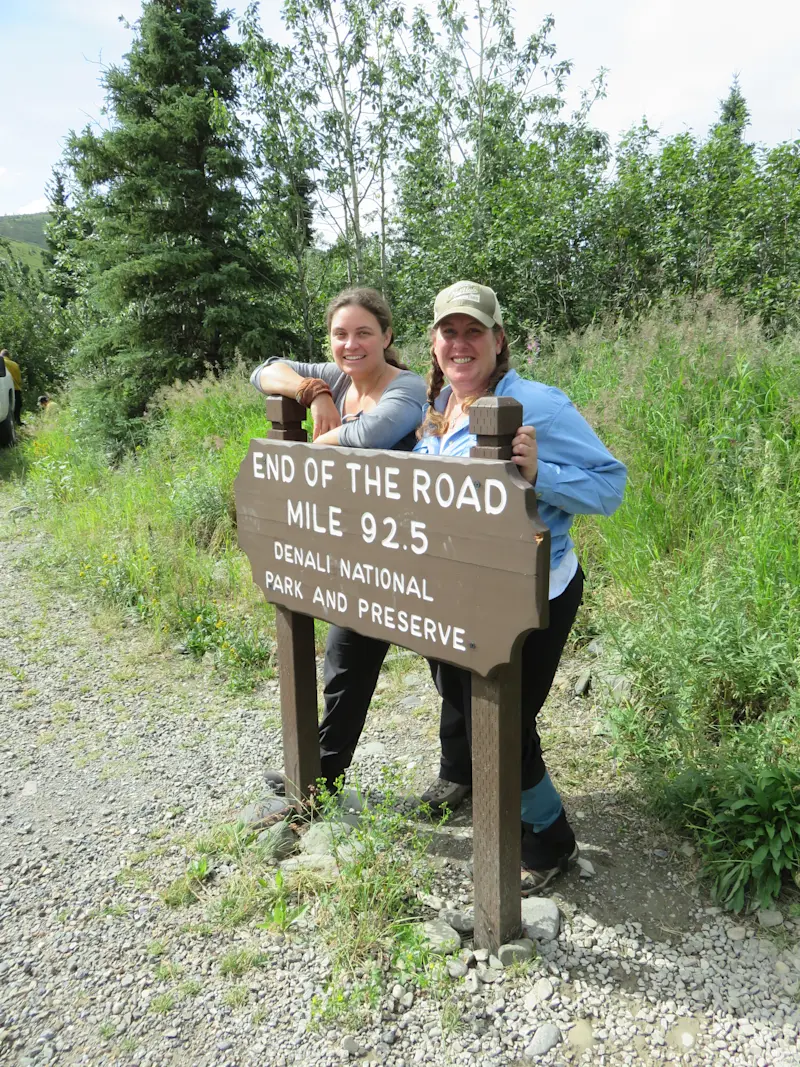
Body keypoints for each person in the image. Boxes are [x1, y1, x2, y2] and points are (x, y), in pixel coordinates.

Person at [413, 281, 627, 892]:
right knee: (465, 701)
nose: (460, 343)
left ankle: (550, 841)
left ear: (498, 339)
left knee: (504, 723)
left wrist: (540, 473)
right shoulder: (437, 403)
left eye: (473, 331)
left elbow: (610, 488)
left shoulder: (538, 404)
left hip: (529, 597)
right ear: (434, 344)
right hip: (448, 592)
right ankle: (481, 783)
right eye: (448, 332)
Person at [250, 287, 427, 794]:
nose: (351, 345)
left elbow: (368, 435)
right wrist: (314, 392)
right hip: (366, 557)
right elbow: (265, 370)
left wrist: (313, 446)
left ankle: (461, 774)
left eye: (364, 333)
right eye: (340, 334)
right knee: (344, 664)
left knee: (452, 672)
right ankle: (322, 775)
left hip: (420, 554)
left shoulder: (408, 387)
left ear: (387, 336)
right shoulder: (336, 381)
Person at [1, 350, 22, 424]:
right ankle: (17, 422)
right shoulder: (15, 364)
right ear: (8, 356)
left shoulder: (2, 362)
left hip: (3, 388)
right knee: (17, 407)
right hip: (16, 388)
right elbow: (19, 380)